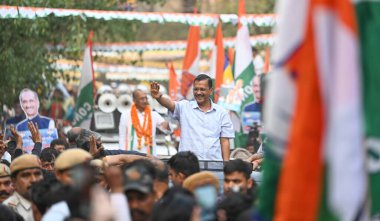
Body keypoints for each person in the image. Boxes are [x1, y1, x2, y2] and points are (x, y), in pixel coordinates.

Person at [151, 74, 235, 161]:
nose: (198, 93)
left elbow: (224, 140)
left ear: (210, 91)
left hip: (213, 164)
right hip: (187, 165)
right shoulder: (184, 107)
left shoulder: (221, 113)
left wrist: (226, 165)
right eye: (196, 89)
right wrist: (159, 97)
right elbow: (170, 104)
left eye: (202, 89)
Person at [119, 89, 169, 155]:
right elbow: (122, 137)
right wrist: (122, 155)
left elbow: (167, 130)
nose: (145, 101)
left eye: (146, 98)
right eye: (142, 99)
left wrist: (168, 124)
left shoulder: (154, 115)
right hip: (131, 156)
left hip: (149, 157)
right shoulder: (125, 115)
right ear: (134, 100)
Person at [3, 154, 44, 221]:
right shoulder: (8, 209)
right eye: (26, 175)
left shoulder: (51, 201)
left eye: (37, 174)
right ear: (14, 181)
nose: (33, 180)